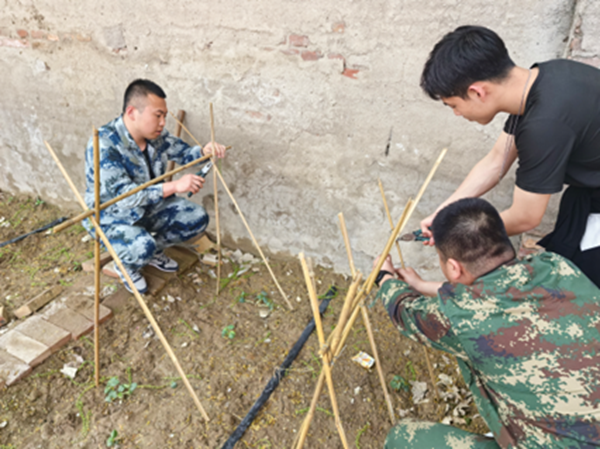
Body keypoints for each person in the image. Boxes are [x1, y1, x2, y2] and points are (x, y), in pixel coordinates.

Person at [374, 198, 600, 448]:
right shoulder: (557, 267)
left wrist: (385, 278)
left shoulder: (460, 320)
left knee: (404, 439)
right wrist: (422, 286)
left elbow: (404, 311)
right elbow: (492, 292)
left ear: (453, 267)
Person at [419, 25, 600, 286]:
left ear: (477, 92)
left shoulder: (544, 126)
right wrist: (445, 212)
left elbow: (526, 216)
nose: (457, 114)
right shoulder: (546, 76)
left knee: (577, 294)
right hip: (590, 193)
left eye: (454, 106)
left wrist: (458, 236)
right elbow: (496, 161)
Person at [83, 79, 226, 293]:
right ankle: (128, 264)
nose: (162, 123)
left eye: (165, 117)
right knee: (141, 246)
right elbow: (125, 197)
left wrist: (204, 152)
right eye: (157, 115)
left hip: (150, 208)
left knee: (196, 218)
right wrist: (175, 186)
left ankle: (152, 253)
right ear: (132, 112)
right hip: (114, 217)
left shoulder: (156, 137)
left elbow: (186, 154)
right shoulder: (104, 144)